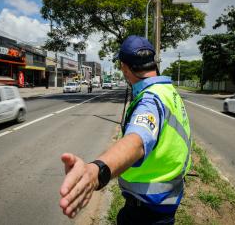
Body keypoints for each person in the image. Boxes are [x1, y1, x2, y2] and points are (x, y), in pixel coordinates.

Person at [59, 35, 192, 224]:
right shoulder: (168, 91)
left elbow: (137, 141)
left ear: (124, 67)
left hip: (148, 210)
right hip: (166, 201)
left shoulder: (150, 100)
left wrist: (96, 172)